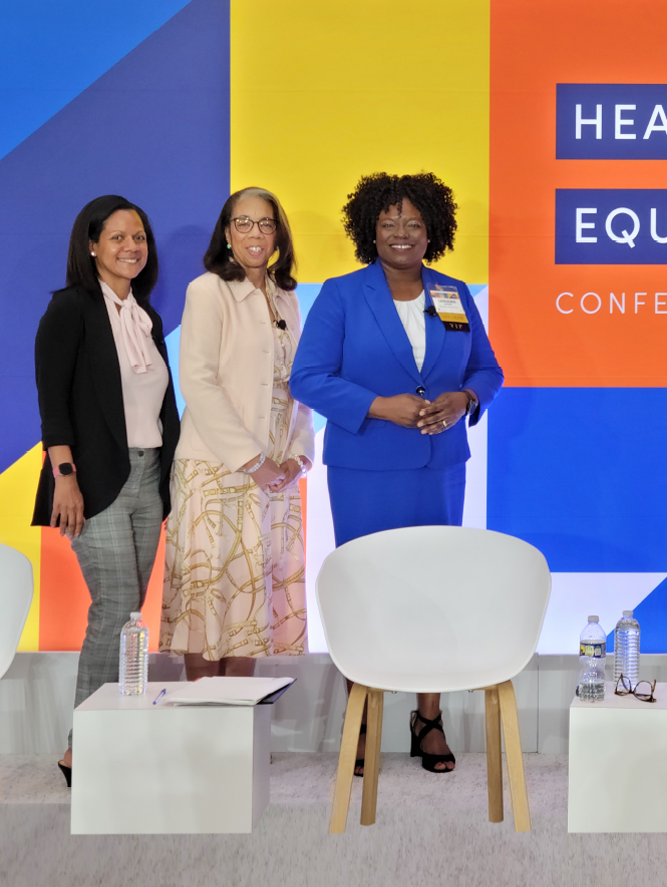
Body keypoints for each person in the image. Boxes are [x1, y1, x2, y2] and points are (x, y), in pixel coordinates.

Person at [291, 172, 503, 775]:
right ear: (370, 231)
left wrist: (463, 399)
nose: (401, 234)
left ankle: (428, 717)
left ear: (432, 229)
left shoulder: (455, 294)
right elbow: (307, 377)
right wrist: (381, 405)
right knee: (369, 594)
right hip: (366, 469)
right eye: (388, 224)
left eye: (413, 223)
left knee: (435, 593)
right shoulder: (341, 294)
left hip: (439, 469)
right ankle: (361, 718)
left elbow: (488, 370)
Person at [32, 196, 181, 786]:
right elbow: (54, 405)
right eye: (117, 237)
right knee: (114, 606)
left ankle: (112, 730)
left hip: (149, 478)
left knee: (127, 613)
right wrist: (64, 480)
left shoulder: (147, 317)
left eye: (139, 236)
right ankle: (82, 745)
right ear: (91, 245)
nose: (131, 247)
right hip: (93, 482)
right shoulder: (69, 309)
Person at [160, 187, 313, 678]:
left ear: (278, 235)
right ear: (226, 234)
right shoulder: (207, 290)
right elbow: (198, 384)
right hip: (215, 468)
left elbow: (302, 384)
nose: (254, 233)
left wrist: (298, 457)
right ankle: (205, 730)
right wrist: (253, 460)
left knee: (255, 596)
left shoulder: (287, 297)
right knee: (208, 597)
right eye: (243, 223)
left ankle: (237, 727)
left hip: (274, 476)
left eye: (265, 223)